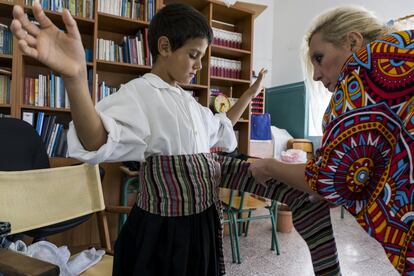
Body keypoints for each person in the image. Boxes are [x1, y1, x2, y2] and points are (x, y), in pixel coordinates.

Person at [11, 1, 342, 275]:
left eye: (202, 56)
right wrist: (76, 80)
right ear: (165, 47)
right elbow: (97, 138)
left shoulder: (189, 102)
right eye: (194, 54)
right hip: (161, 234)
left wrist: (251, 93)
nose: (199, 65)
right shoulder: (140, 93)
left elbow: (222, 125)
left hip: (201, 228)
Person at [250, 5, 414, 275]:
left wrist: (268, 166)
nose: (315, 75)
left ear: (353, 41)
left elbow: (332, 178)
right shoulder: (402, 50)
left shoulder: (367, 65)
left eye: (319, 57)